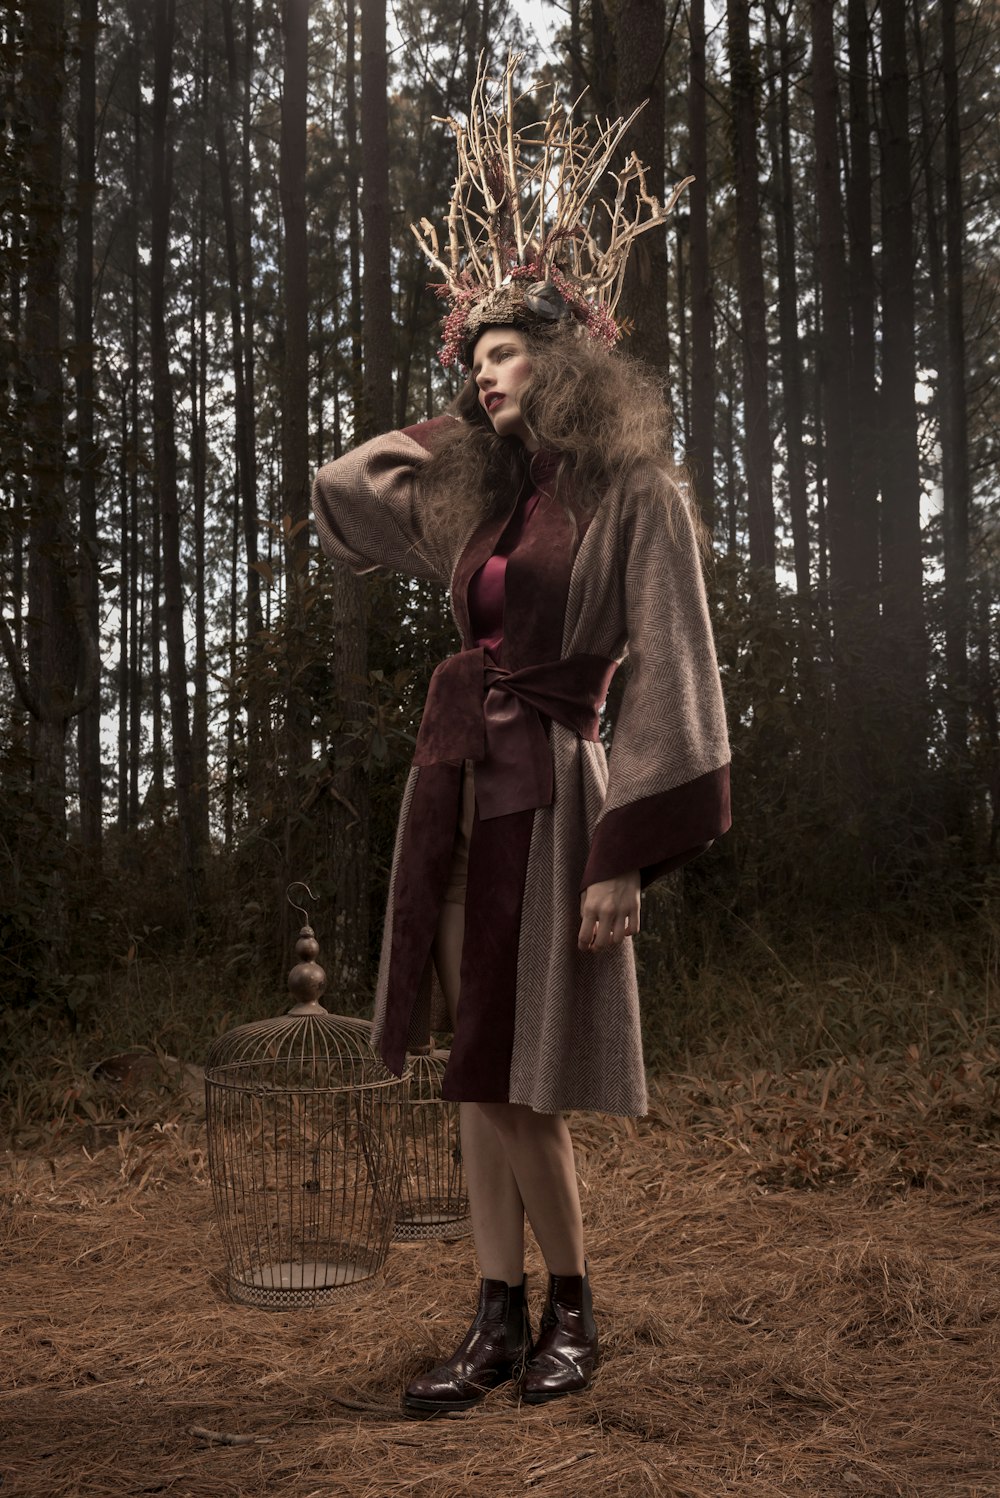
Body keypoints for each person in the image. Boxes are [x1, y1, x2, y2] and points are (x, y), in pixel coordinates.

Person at [310, 58, 730, 1417]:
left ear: (569, 358)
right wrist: (469, 420)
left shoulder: (632, 494)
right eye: (472, 360)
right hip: (460, 782)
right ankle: (489, 1317)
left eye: (509, 356)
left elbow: (672, 666)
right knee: (469, 1071)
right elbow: (346, 489)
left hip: (554, 788)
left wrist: (628, 851)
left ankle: (573, 1310)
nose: (486, 375)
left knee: (526, 1077)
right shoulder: (486, 502)